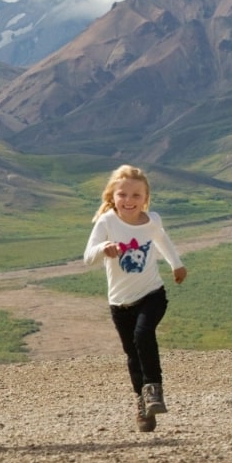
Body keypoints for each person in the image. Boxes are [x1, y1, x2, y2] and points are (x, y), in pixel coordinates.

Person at [84, 164, 187, 432]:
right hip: (120, 303)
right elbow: (87, 256)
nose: (129, 201)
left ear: (145, 198)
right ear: (112, 196)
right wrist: (103, 248)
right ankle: (143, 404)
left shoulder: (152, 220)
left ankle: (154, 390)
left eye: (136, 196)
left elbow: (162, 240)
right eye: (123, 195)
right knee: (132, 353)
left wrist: (176, 264)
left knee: (144, 335)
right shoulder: (107, 221)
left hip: (152, 294)